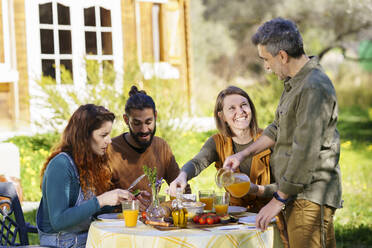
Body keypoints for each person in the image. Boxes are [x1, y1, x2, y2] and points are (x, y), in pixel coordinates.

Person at [223, 18, 342, 248]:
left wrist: (277, 200)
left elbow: (305, 152)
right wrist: (242, 155)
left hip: (310, 196)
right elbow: (277, 129)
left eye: (267, 59)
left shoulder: (313, 87)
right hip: (294, 194)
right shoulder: (294, 83)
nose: (267, 67)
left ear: (283, 56)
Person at [37, 104, 134, 248]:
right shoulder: (61, 166)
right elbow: (58, 221)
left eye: (109, 134)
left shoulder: (88, 162)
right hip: (60, 244)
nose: (109, 140)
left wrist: (119, 201)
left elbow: (87, 212)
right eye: (103, 135)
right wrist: (101, 200)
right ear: (84, 136)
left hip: (88, 240)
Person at [169, 86, 274, 213]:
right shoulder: (218, 142)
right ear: (222, 116)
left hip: (269, 216)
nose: (240, 111)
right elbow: (197, 162)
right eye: (232, 108)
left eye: (243, 105)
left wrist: (256, 189)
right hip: (235, 217)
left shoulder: (268, 140)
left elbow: (285, 186)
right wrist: (182, 176)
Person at [108, 85, 190, 211]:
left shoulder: (161, 147)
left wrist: (179, 191)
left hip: (153, 222)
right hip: (120, 224)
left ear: (155, 116)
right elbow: (97, 201)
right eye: (137, 123)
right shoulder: (110, 149)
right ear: (126, 120)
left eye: (148, 122)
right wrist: (129, 204)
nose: (144, 130)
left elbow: (183, 190)